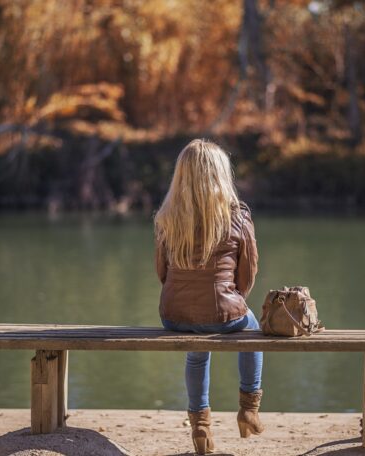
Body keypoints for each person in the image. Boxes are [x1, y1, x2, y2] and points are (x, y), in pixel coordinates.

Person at [153, 138, 263, 455]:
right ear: (221, 175)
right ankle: (248, 407)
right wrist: (233, 299)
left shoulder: (166, 217)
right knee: (252, 328)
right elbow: (248, 274)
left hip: (173, 316)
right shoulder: (238, 216)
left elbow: (161, 272)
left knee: (197, 349)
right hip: (225, 313)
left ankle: (201, 427)